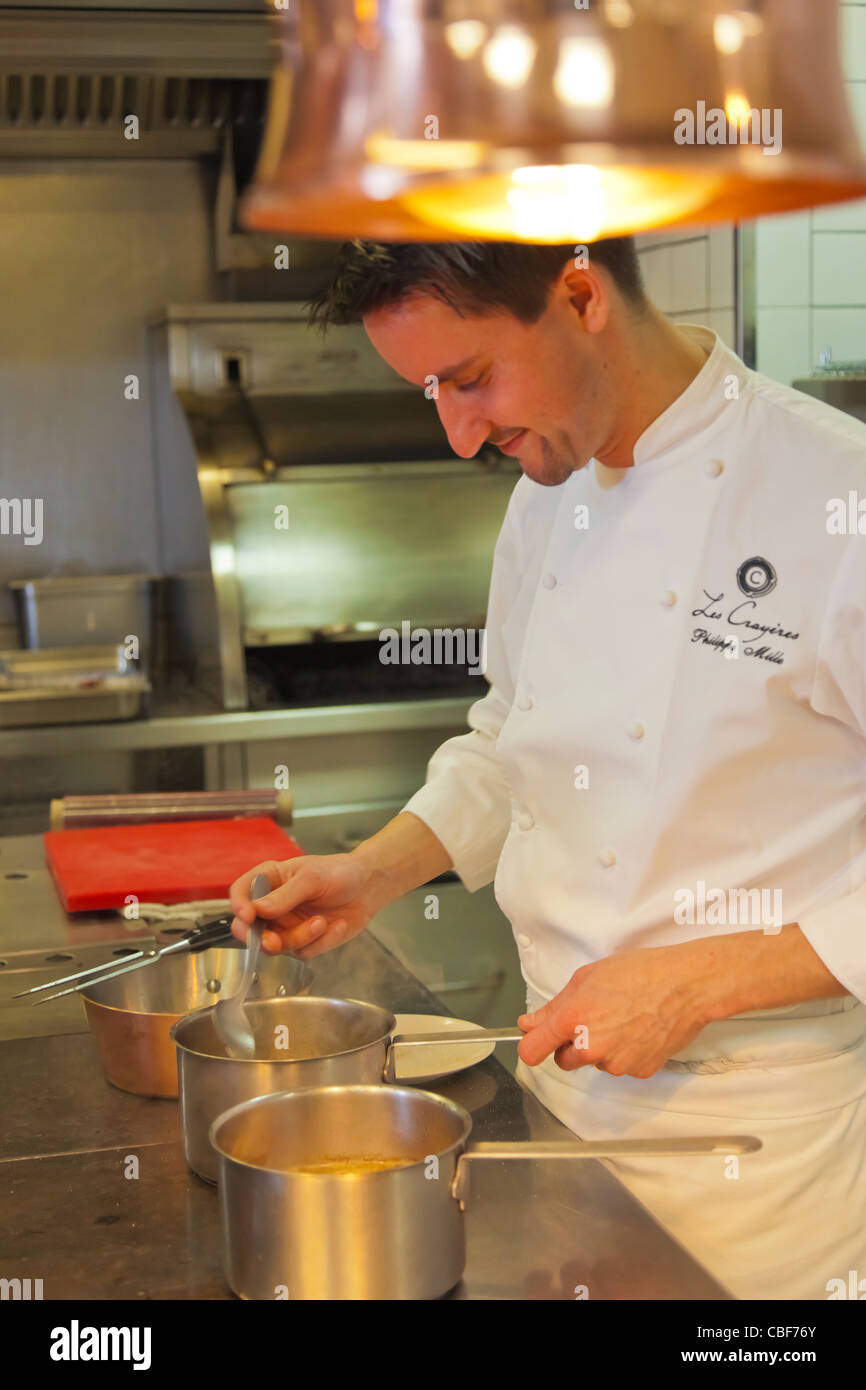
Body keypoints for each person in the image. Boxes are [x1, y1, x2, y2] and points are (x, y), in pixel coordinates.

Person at [230, 237, 866, 1300]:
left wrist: (698, 981)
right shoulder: (548, 486)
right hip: (556, 1102)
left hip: (751, 1149)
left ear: (580, 294)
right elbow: (506, 738)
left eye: (470, 377)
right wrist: (375, 870)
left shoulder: (830, 495)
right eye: (432, 389)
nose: (457, 432)